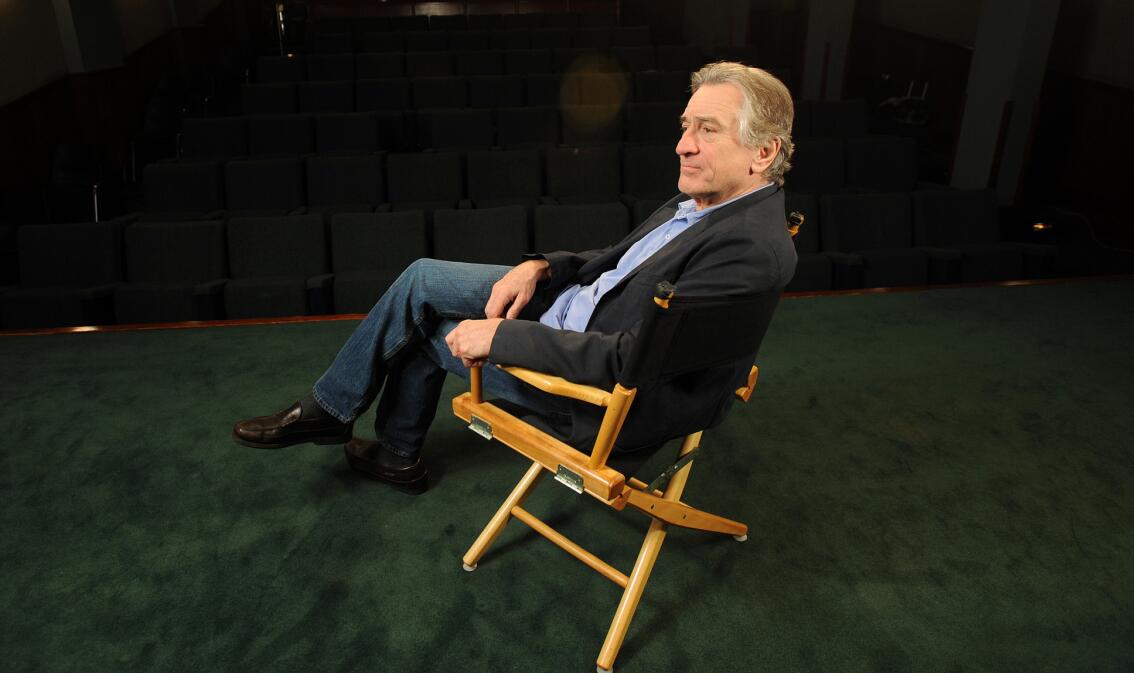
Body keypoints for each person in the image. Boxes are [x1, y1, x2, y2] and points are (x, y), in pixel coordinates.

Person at [233, 62, 798, 494]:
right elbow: (621, 262)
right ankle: (334, 414)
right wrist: (544, 267)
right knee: (422, 278)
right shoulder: (707, 202)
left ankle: (390, 449)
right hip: (572, 313)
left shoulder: (750, 247)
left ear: (763, 152)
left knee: (425, 332)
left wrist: (500, 338)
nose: (683, 143)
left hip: (588, 395)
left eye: (708, 129)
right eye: (684, 125)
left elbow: (632, 361)